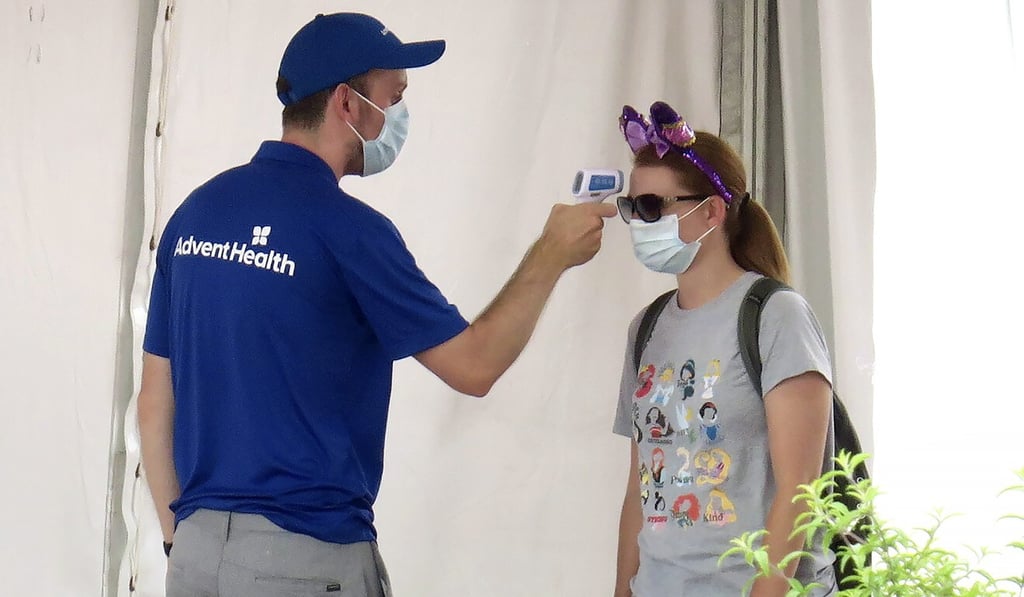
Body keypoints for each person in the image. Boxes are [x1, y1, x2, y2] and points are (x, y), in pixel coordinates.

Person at [136, 12, 616, 597]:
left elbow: (155, 403)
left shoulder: (195, 215)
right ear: (348, 103)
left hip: (195, 554)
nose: (401, 118)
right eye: (395, 97)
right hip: (304, 556)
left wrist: (178, 541)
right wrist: (551, 255)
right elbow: (474, 365)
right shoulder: (349, 230)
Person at [611, 101, 836, 596]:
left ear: (711, 210)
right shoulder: (645, 329)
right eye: (632, 208)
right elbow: (640, 488)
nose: (639, 222)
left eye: (652, 207)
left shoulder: (775, 316)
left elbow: (800, 494)